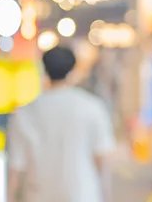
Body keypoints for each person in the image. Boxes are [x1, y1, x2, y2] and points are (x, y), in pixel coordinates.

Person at [7, 45, 115, 202]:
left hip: (39, 196)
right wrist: (107, 197)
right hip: (83, 195)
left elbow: (15, 170)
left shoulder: (24, 113)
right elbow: (102, 161)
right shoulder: (92, 107)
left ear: (44, 69)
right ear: (73, 70)